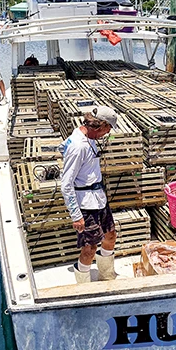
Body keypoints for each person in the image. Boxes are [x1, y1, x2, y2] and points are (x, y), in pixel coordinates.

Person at [60, 106, 119, 284]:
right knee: (89, 248)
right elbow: (66, 184)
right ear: (99, 126)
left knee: (110, 235)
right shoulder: (78, 146)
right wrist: (76, 216)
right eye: (107, 129)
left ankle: (106, 275)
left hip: (98, 198)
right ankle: (84, 285)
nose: (107, 134)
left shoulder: (89, 137)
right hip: (85, 204)